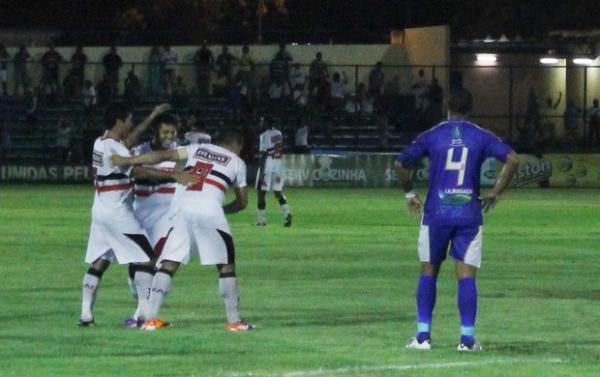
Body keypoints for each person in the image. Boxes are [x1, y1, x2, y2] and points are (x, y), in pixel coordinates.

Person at [397, 89, 519, 351]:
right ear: (471, 108)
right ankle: (466, 339)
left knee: (428, 271)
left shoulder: (432, 135)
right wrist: (496, 193)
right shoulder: (481, 136)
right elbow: (512, 159)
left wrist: (410, 193)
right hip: (468, 214)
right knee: (466, 277)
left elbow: (400, 164)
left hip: (436, 214)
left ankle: (422, 337)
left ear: (446, 106)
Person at [111, 129, 254, 332]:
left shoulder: (197, 149)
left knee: (169, 263)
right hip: (210, 211)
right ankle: (234, 321)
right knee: (225, 266)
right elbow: (243, 202)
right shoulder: (237, 162)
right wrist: (223, 210)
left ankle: (150, 319)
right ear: (237, 146)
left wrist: (129, 161)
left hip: (182, 210)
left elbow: (162, 155)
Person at [79, 103, 196, 327]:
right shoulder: (118, 150)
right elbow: (139, 169)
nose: (131, 124)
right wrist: (172, 175)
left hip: (100, 208)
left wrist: (151, 115)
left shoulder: (101, 142)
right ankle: (144, 315)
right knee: (146, 258)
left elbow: (128, 144)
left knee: (100, 261)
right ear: (119, 122)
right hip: (117, 211)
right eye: (130, 120)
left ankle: (86, 314)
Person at [124, 112, 180, 327]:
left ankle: (144, 314)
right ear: (156, 132)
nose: (169, 136)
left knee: (157, 261)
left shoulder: (180, 152)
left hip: (168, 214)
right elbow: (136, 171)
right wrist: (169, 175)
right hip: (141, 211)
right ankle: (142, 307)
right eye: (165, 131)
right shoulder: (141, 150)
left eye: (173, 132)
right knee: (136, 264)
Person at [256, 122, 292, 227]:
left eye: (262, 121)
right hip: (278, 165)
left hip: (268, 166)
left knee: (261, 193)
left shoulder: (264, 135)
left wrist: (262, 171)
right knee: (278, 192)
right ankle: (287, 214)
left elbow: (263, 154)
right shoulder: (279, 133)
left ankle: (261, 221)